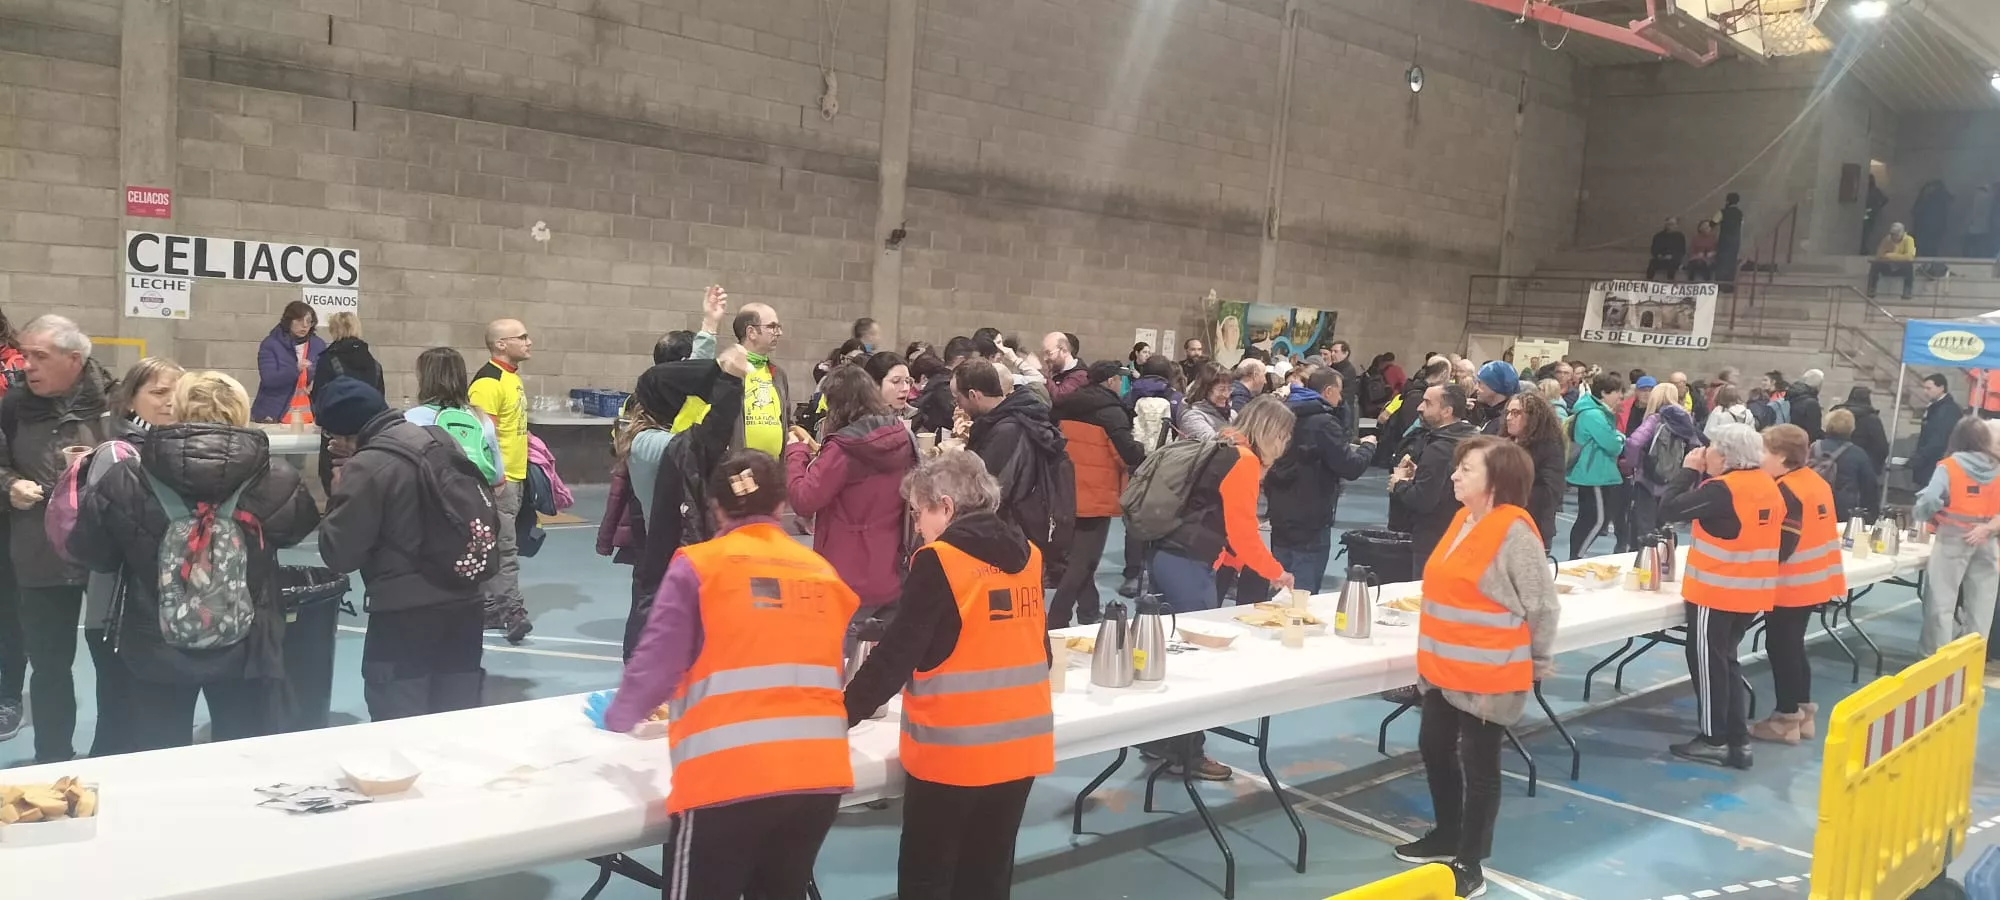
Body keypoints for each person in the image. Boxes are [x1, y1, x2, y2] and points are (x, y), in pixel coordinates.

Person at [595, 450, 856, 900]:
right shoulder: (823, 573)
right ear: (780, 505)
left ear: (715, 507)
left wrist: (617, 717)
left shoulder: (700, 567)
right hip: (817, 778)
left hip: (729, 781)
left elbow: (656, 663)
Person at [68, 372, 318, 751]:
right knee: (243, 755)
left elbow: (93, 553)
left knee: (160, 755)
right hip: (246, 646)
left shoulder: (127, 477)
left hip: (154, 646)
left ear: (179, 408)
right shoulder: (278, 478)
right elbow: (298, 529)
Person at [843, 450, 1053, 900]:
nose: (918, 526)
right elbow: (1042, 653)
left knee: (928, 878)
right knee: (988, 872)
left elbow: (895, 657)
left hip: (953, 754)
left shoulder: (940, 561)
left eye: (919, 513)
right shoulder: (1030, 557)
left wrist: (837, 714)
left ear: (946, 507)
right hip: (1022, 748)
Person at [1391, 436, 1558, 898]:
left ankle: (1470, 861)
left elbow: (1542, 605)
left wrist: (1537, 660)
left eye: (1466, 469)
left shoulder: (1515, 534)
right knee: (1434, 746)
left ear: (1496, 481)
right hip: (1444, 668)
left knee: (1480, 765)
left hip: (1490, 673)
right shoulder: (1463, 519)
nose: (1455, 475)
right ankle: (1447, 833)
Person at [316, 376, 491, 719]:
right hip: (465, 601)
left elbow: (339, 554)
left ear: (346, 433)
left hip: (405, 614)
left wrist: (338, 494)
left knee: (400, 724)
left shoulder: (368, 466)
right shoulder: (440, 439)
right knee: (457, 720)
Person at [1145, 394, 1295, 780]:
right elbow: (1243, 533)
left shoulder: (1223, 445)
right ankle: (1188, 752)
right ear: (1271, 432)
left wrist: (1231, 563)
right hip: (1187, 564)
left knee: (1170, 655)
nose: (1285, 445)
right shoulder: (1244, 462)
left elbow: (1216, 518)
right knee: (1197, 662)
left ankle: (1158, 737)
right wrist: (1276, 572)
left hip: (1167, 555)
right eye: (1284, 436)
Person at [0, 315, 116, 762]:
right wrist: (9, 484)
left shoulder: (114, 404)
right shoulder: (12, 406)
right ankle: (52, 759)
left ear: (74, 359)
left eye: (39, 356)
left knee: (115, 663)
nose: (26, 365)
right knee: (49, 667)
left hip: (106, 556)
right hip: (38, 552)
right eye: (24, 354)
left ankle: (115, 753)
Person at [67, 356, 183, 754]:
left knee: (151, 723)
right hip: (116, 613)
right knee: (120, 722)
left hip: (157, 610)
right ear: (131, 400)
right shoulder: (118, 454)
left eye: (177, 393)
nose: (170, 401)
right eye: (158, 392)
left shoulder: (176, 448)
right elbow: (103, 538)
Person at [1659, 423, 1781, 769]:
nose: (1705, 453)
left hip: (1716, 592)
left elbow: (1668, 509)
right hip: (1751, 590)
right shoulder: (1766, 485)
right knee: (1726, 662)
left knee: (1708, 665)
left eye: (1711, 447)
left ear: (1726, 456)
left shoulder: (1722, 490)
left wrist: (1687, 471)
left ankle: (1714, 740)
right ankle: (1737, 741)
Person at [785, 365, 919, 628]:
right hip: (892, 567)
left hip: (848, 574)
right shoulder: (902, 435)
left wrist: (796, 453)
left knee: (843, 648)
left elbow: (804, 500)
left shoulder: (843, 448)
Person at [1750, 425, 1844, 745]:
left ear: (1781, 457)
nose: (1759, 457)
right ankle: (1803, 714)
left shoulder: (1784, 490)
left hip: (1789, 583)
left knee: (1781, 648)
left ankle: (1785, 719)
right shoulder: (1815, 482)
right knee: (1793, 645)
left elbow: (1782, 545)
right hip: (1815, 579)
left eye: (1764, 451)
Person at [958, 359, 1071, 580]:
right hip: (1026, 528)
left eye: (958, 398)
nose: (958, 405)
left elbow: (991, 491)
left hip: (1013, 533)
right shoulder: (1016, 418)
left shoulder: (1006, 430)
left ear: (973, 395)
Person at [1049, 362, 1144, 627]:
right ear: (1111, 381)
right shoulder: (1111, 412)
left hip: (1066, 490)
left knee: (1079, 558)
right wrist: (1141, 447)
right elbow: (1128, 454)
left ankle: (1089, 611)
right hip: (1097, 495)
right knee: (1084, 562)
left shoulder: (1066, 405)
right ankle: (1056, 619)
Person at [1266, 369, 1376, 592]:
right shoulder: (1324, 424)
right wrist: (1368, 447)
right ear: (1328, 391)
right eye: (1339, 392)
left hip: (1279, 514)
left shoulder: (1282, 417)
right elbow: (1350, 467)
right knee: (1302, 591)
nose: (1341, 398)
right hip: (1311, 519)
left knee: (1278, 584)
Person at [469, 318, 534, 644]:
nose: (529, 342)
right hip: (499, 480)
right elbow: (483, 437)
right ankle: (511, 611)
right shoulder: (487, 382)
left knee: (498, 544)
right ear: (501, 344)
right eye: (522, 337)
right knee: (505, 547)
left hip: (515, 476)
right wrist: (497, 477)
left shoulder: (512, 378)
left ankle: (490, 608)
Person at [1912, 418, 2000, 657]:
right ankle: (1973, 658)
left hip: (1953, 537)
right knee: (1982, 604)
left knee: (1941, 602)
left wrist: (1923, 513)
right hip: (1988, 540)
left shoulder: (1949, 466)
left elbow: (1930, 499)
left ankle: (1936, 658)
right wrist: (1987, 529)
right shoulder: (1997, 468)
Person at [1391, 384, 1480, 572]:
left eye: (1427, 403)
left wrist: (1399, 484)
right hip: (1458, 531)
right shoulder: (1469, 440)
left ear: (1447, 411)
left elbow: (1424, 500)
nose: (1419, 407)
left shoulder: (1439, 449)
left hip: (1432, 538)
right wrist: (1420, 475)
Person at [311, 312, 384, 492]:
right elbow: (380, 399)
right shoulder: (374, 364)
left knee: (335, 487)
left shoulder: (327, 360)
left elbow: (319, 400)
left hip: (337, 437)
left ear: (334, 330)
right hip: (367, 437)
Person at [1624, 382, 1705, 540]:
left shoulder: (1655, 419)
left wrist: (1633, 464)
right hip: (1675, 482)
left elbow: (1634, 443)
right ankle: (1667, 554)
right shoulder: (1686, 420)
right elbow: (1696, 447)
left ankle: (1645, 554)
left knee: (1645, 529)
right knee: (1666, 529)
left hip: (1648, 480)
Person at [1567, 372, 1629, 559]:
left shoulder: (1595, 412)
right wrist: (1620, 438)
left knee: (1588, 519)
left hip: (1595, 472)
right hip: (1594, 473)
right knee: (1596, 519)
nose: (1620, 396)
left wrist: (1616, 437)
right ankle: (1576, 556)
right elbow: (1612, 444)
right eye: (1617, 392)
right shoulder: (1593, 414)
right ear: (1604, 392)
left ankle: (1576, 555)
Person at [730, 301, 794, 456]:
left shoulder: (779, 374)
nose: (779, 332)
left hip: (774, 466)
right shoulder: (727, 371)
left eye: (778, 327)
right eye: (772, 326)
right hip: (738, 466)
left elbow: (786, 419)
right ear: (751, 332)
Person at [1503, 391, 1566, 547]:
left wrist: (1506, 494)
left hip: (1532, 527)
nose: (1508, 418)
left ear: (1533, 417)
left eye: (1516, 413)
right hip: (1502, 523)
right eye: (1508, 412)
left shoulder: (1549, 447)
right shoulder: (1503, 443)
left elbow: (1551, 492)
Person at [251, 302, 325, 424]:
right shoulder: (271, 344)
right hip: (274, 415)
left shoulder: (318, 345)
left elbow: (325, 376)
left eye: (309, 321)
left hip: (309, 417)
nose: (305, 325)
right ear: (289, 321)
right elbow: (269, 379)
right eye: (299, 320)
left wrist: (316, 383)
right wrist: (295, 369)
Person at [1813, 409, 1879, 522]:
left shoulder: (1813, 447)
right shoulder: (1857, 453)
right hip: (1841, 510)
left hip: (1813, 505)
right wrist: (1871, 515)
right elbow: (1869, 487)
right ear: (1851, 428)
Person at [912, 336, 974, 438]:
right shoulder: (945, 387)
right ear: (961, 360)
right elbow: (955, 421)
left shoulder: (936, 379)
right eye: (973, 363)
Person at [1910, 374, 1961, 486]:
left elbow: (1939, 438)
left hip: (1936, 461)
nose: (1925, 392)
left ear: (1941, 388)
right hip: (1929, 460)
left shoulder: (1948, 410)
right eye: (1924, 388)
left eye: (1929, 388)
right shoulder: (1936, 407)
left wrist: (1921, 457)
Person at [1179, 362, 1232, 441]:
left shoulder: (1232, 415)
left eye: (1229, 389)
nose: (1226, 395)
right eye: (1221, 389)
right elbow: (1210, 442)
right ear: (1206, 390)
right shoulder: (1192, 417)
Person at [1867, 222, 1918, 299]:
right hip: (1888, 266)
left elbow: (1909, 257)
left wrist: (1890, 255)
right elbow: (1879, 255)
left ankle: (1907, 291)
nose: (1895, 236)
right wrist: (1897, 257)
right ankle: (1871, 289)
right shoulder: (1886, 239)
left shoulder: (1909, 240)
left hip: (1901, 267)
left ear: (1902, 232)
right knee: (1875, 264)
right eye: (1893, 234)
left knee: (1909, 265)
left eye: (1897, 233)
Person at [1469, 361, 1517, 435]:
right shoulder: (1488, 414)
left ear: (1495, 387)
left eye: (1480, 383)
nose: (1476, 388)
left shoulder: (1504, 425)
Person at [865, 351, 917, 419]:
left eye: (907, 381)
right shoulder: (859, 420)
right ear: (874, 384)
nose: (905, 388)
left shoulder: (915, 417)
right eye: (896, 381)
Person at [1041, 332, 1089, 402]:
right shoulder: (1057, 371)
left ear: (1064, 351)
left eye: (1049, 353)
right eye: (1044, 354)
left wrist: (1042, 377)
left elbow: (1060, 397)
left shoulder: (1080, 375)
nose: (1045, 358)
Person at [1713, 192, 1744, 286]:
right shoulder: (1740, 213)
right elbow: (1741, 224)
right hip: (1735, 241)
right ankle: (1729, 285)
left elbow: (1713, 223)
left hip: (1724, 241)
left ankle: (1719, 285)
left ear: (1727, 201)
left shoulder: (1722, 212)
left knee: (1722, 262)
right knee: (1731, 262)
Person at [1788, 369, 1824, 443]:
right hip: (1802, 443)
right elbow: (1814, 432)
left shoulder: (1791, 395)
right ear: (1819, 386)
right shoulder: (1811, 404)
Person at [1647, 217, 1686, 281]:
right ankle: (1649, 282)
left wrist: (1672, 256)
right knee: (1652, 263)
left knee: (1672, 264)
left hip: (1673, 259)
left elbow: (1682, 250)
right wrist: (1658, 255)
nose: (1670, 226)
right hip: (1661, 259)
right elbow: (1654, 249)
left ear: (1676, 225)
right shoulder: (1658, 236)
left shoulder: (1680, 237)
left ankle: (1670, 283)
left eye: (1672, 224)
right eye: (1668, 224)